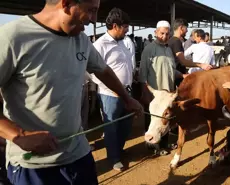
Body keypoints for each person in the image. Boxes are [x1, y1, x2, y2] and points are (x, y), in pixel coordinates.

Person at [0, 0, 143, 184]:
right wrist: (19, 136)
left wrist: (126, 98)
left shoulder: (81, 40)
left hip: (78, 155)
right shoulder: (13, 37)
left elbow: (103, 70)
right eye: (91, 10)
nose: (94, 19)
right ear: (66, 4)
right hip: (33, 164)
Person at [91, 8, 136, 172]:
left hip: (127, 92)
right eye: (125, 27)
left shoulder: (123, 42)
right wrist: (112, 88)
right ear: (116, 26)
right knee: (111, 127)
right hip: (110, 95)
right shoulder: (100, 45)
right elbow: (93, 74)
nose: (127, 31)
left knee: (126, 124)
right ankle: (114, 158)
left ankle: (119, 150)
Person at [139, 20, 186, 155]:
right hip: (155, 93)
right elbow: (143, 72)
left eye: (167, 34)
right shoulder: (149, 49)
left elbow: (171, 70)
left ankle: (163, 144)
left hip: (168, 93)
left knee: (165, 120)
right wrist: (145, 91)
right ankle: (152, 145)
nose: (164, 36)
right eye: (161, 33)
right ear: (156, 33)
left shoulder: (169, 50)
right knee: (153, 119)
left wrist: (182, 75)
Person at [167, 18, 213, 85]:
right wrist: (201, 65)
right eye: (186, 28)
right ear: (181, 28)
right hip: (176, 76)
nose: (187, 31)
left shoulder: (171, 40)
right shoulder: (177, 41)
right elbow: (183, 62)